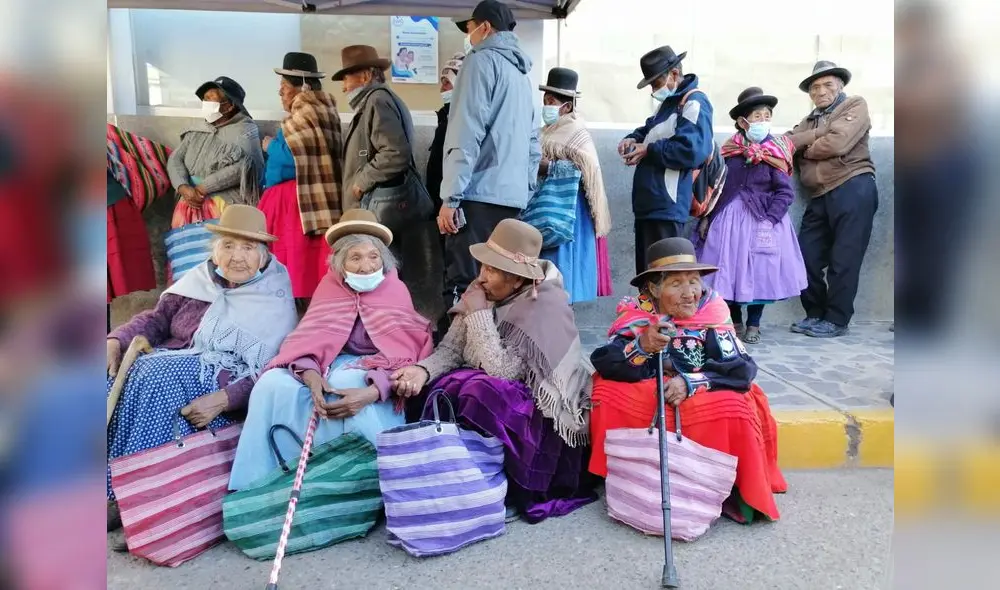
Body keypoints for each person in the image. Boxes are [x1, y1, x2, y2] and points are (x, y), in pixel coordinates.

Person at [391, 219, 596, 522]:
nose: (482, 278)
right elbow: (451, 349)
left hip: (540, 412)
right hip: (497, 379)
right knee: (434, 389)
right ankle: (458, 478)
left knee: (481, 391)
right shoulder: (484, 292)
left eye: (493, 270)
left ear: (517, 279)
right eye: (483, 267)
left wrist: (479, 314)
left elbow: (502, 371)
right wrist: (421, 370)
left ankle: (512, 483)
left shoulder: (544, 305)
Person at [106, 205, 298, 518]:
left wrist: (225, 399)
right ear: (215, 250)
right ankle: (101, 488)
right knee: (108, 376)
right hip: (165, 363)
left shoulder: (274, 296)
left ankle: (136, 501)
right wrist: (116, 340)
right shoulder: (199, 280)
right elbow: (158, 319)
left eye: (248, 247)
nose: (237, 256)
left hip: (216, 390)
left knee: (155, 375)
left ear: (263, 255)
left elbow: (273, 369)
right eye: (228, 245)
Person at [228, 210, 433, 490]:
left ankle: (349, 486)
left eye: (373, 257)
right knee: (271, 384)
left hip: (373, 372)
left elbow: (410, 358)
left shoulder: (395, 290)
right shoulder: (329, 287)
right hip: (324, 364)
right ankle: (260, 485)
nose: (365, 267)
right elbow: (305, 341)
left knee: (344, 383)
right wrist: (311, 376)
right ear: (340, 263)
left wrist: (377, 387)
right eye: (355, 258)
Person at [589, 237, 786, 524]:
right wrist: (642, 345)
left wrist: (691, 382)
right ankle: (627, 476)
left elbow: (741, 370)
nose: (689, 293)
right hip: (657, 386)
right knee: (605, 391)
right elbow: (606, 361)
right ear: (654, 289)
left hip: (702, 385)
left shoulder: (712, 312)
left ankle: (729, 486)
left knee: (736, 405)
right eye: (676, 283)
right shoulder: (639, 314)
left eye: (693, 281)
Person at [438, 0, 541, 334]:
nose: (468, 36)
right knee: (502, 284)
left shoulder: (480, 61)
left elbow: (465, 132)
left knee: (467, 280)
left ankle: (455, 360)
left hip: (477, 192)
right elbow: (532, 142)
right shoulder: (522, 73)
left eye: (468, 28)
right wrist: (524, 191)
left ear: (483, 27)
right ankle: (490, 356)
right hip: (510, 198)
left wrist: (451, 197)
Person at [695, 87, 807, 343]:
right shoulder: (727, 152)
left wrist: (770, 220)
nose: (763, 121)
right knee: (727, 272)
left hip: (763, 222)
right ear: (742, 122)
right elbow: (715, 189)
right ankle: (733, 320)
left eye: (767, 116)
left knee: (760, 273)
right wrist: (707, 218)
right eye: (758, 116)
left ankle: (754, 323)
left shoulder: (775, 153)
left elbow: (785, 192)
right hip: (728, 224)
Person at [785, 61, 878, 338]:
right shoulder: (810, 119)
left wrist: (805, 149)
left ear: (840, 86)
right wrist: (813, 136)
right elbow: (786, 143)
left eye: (827, 84)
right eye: (815, 87)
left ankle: (837, 320)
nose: (821, 91)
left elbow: (838, 143)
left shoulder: (854, 105)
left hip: (853, 186)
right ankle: (815, 313)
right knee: (805, 256)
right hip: (820, 195)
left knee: (844, 258)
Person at [618, 46, 714, 275]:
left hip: (666, 205)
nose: (654, 90)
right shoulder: (669, 104)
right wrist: (632, 139)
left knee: (665, 275)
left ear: (674, 74)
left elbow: (692, 150)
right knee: (648, 275)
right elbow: (650, 129)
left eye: (656, 83)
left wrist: (648, 150)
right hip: (649, 205)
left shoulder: (694, 102)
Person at [259, 52, 345, 307]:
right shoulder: (322, 110)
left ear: (302, 86)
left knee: (294, 265)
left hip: (298, 204)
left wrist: (270, 146)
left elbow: (293, 156)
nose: (281, 93)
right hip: (309, 201)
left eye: (284, 87)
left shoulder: (306, 111)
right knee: (305, 265)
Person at [535, 67, 613, 303]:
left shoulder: (577, 133)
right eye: (545, 100)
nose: (546, 106)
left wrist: (547, 167)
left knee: (563, 268)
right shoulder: (547, 131)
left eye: (551, 101)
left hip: (568, 211)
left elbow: (583, 171)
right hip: (548, 205)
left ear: (567, 106)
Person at [167, 76, 264, 207]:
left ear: (230, 106)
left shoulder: (245, 130)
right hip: (189, 199)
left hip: (227, 206)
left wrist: (202, 188)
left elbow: (245, 167)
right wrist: (183, 186)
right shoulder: (198, 130)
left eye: (211, 98)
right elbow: (175, 159)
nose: (206, 102)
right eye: (204, 99)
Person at [427, 53, 466, 237]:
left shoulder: (463, 119)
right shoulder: (445, 116)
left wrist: (450, 202)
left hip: (453, 208)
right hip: (440, 202)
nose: (442, 89)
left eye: (447, 82)